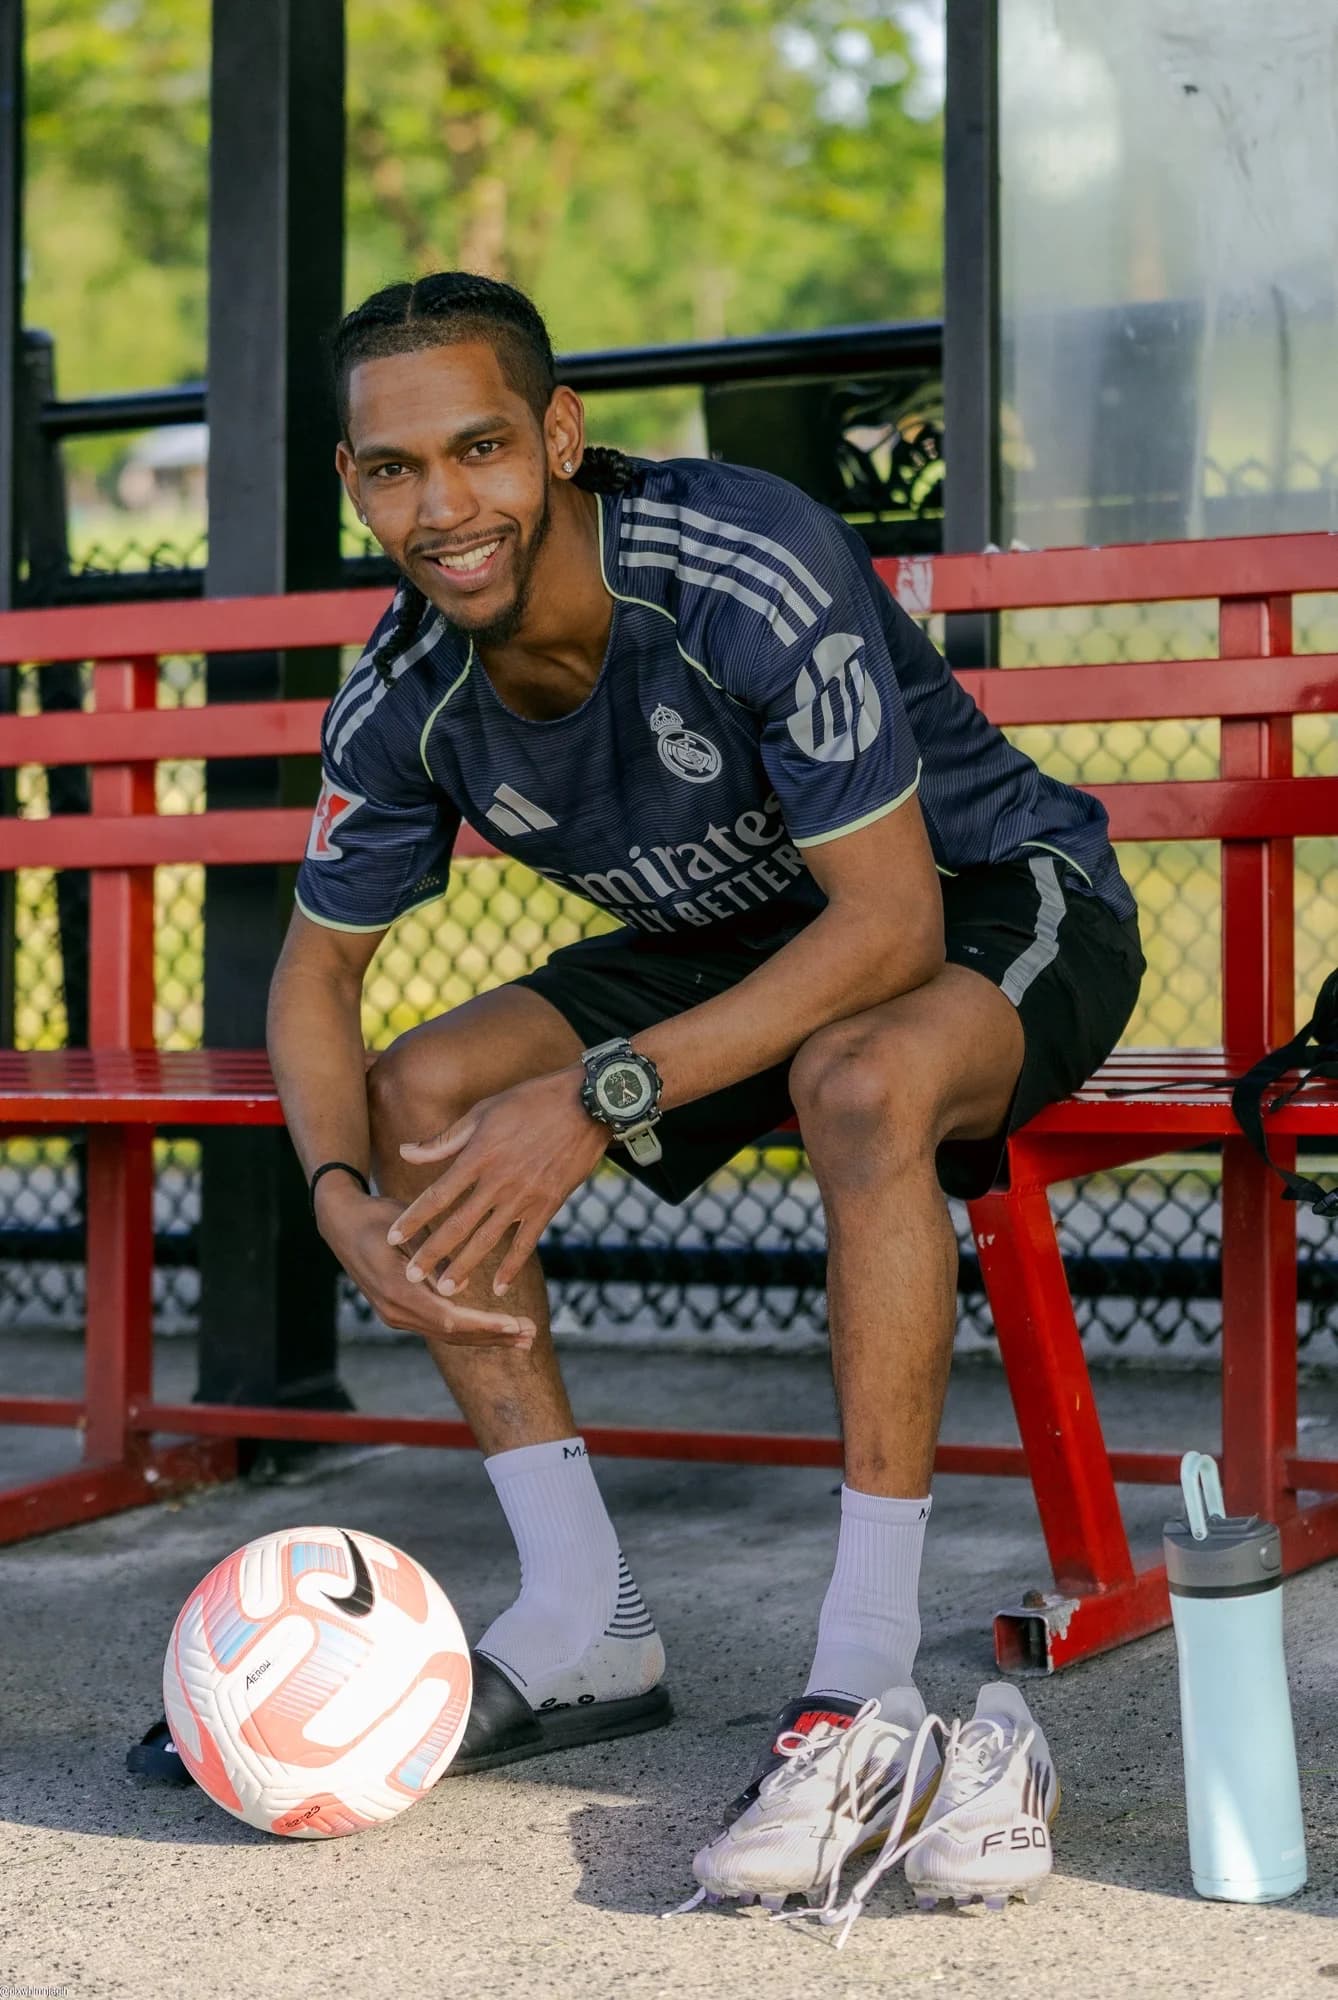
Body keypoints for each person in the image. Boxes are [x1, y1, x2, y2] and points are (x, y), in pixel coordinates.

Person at [129, 271, 1143, 1910]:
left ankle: (860, 1670)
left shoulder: (735, 559)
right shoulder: (404, 689)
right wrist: (336, 1195)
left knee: (858, 1081)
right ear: (352, 484)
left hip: (989, 900)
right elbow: (316, 979)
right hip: (730, 940)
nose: (442, 507)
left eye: (479, 449)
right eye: (394, 470)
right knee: (423, 1089)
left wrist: (600, 1093)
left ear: (558, 435)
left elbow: (884, 926)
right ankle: (578, 1620)